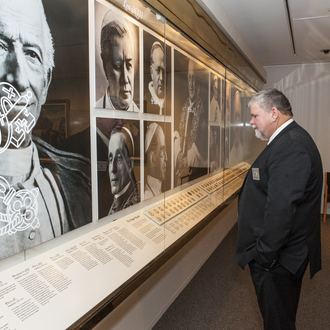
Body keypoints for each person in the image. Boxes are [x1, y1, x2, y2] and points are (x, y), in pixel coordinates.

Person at [0, 0, 92, 260]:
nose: (18, 78)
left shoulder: (77, 180)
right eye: (0, 45)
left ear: (47, 81)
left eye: (31, 54)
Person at [236, 88, 323, 330]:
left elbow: (281, 210)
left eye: (255, 115)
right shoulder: (288, 140)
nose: (251, 122)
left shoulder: (291, 146)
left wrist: (264, 257)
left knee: (278, 322)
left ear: (273, 113)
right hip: (282, 253)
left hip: (279, 259)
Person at [96, 11, 139, 112]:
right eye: (118, 65)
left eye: (129, 65)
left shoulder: (142, 120)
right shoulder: (96, 111)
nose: (125, 79)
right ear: (104, 65)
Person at [174, 59, 207, 186]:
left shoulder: (203, 112)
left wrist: (188, 158)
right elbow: (175, 134)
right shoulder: (181, 107)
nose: (191, 85)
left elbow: (203, 151)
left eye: (194, 79)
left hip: (195, 175)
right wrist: (179, 156)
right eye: (189, 78)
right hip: (181, 172)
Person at [108, 127, 139, 214]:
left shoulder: (132, 205)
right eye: (110, 159)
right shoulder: (114, 202)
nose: (113, 169)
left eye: (118, 159)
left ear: (130, 165)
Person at [144, 123, 167, 199]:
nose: (166, 158)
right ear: (152, 159)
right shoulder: (146, 197)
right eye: (162, 152)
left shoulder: (159, 190)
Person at [144, 42, 165, 115]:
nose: (161, 78)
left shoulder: (170, 103)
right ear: (151, 72)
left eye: (164, 71)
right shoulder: (144, 102)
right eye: (158, 71)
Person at [229, 90, 243, 166]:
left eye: (239, 116)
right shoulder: (227, 148)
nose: (237, 121)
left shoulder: (244, 148)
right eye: (235, 116)